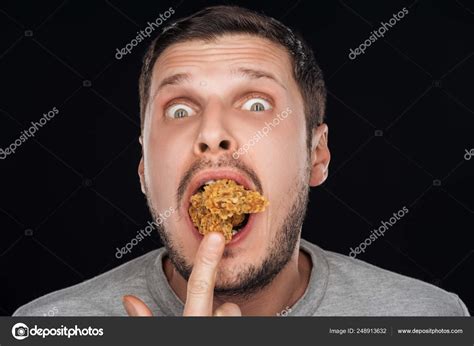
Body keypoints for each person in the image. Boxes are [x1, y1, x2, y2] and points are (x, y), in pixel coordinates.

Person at [14, 5, 469, 317]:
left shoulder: (425, 318)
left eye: (255, 105)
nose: (212, 134)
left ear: (317, 154)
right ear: (143, 171)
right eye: (179, 110)